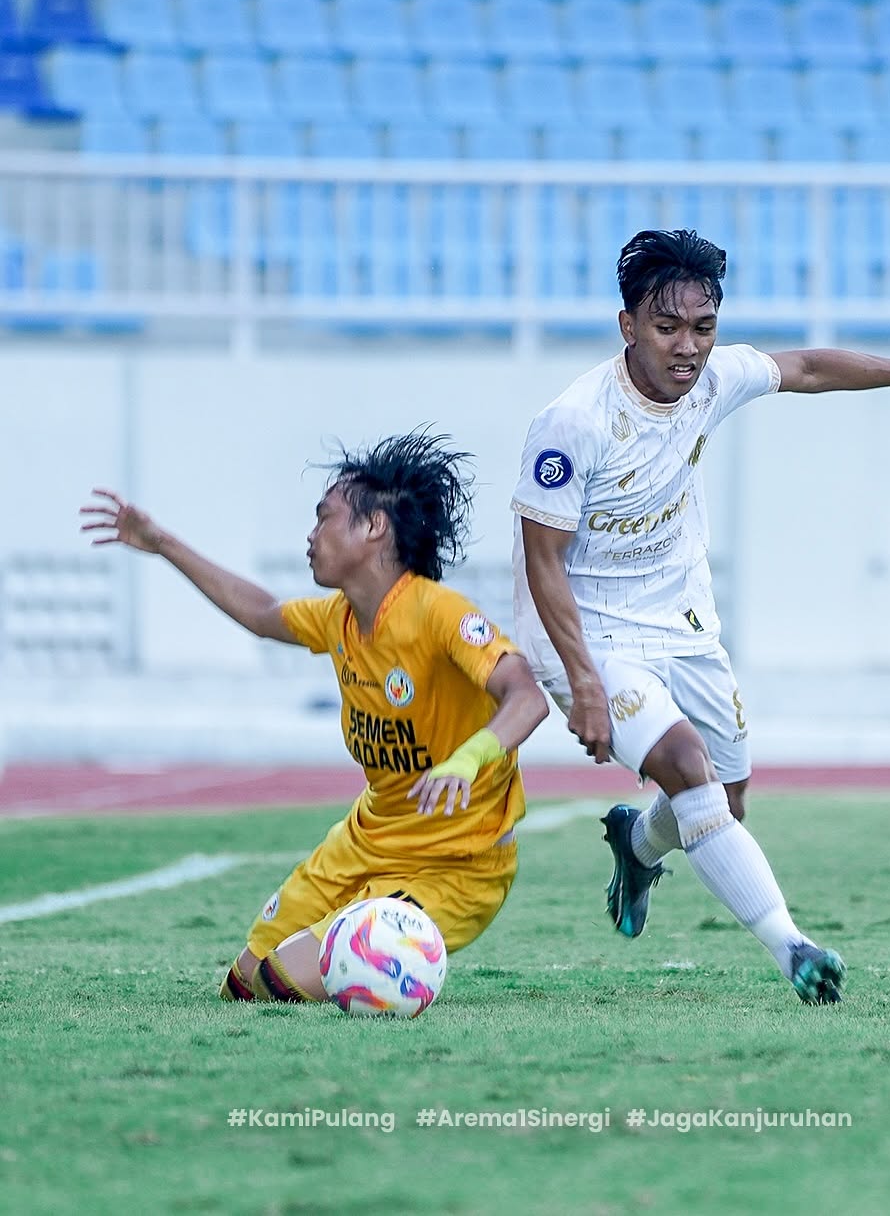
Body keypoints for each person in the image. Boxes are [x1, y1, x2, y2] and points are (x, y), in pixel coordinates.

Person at [511, 229, 890, 1004]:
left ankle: (637, 844)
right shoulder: (572, 423)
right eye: (667, 327)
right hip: (587, 630)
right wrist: (583, 682)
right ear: (627, 326)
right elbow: (542, 561)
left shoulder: (714, 378)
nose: (688, 347)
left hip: (681, 620)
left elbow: (810, 367)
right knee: (687, 766)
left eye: (703, 327)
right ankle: (795, 950)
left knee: (727, 798)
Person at [81, 430, 548, 1004]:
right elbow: (263, 613)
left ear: (374, 527)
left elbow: (526, 696)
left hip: (455, 864)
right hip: (362, 843)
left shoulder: (439, 614)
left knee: (282, 982)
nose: (311, 534)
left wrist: (466, 760)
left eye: (324, 517)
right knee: (244, 984)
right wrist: (161, 543)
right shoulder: (339, 618)